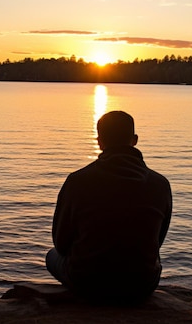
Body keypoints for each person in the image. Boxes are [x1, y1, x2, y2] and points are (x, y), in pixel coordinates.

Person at [46, 110, 172, 304]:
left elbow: (61, 244)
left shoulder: (77, 181)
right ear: (135, 140)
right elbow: (157, 242)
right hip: (141, 284)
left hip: (87, 283)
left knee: (51, 256)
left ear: (99, 141)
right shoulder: (161, 184)